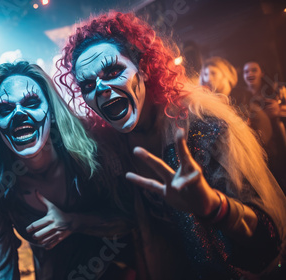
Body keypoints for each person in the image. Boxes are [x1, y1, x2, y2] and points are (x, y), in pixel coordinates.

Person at [58, 11, 286, 279]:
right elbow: (128, 221)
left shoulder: (203, 127)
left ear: (143, 68)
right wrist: (73, 221)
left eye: (113, 71)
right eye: (87, 84)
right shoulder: (115, 143)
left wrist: (213, 206)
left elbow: (270, 241)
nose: (101, 88)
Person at [0, 61, 135, 280]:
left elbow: (130, 219)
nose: (19, 114)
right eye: (5, 109)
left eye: (31, 103)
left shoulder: (89, 152)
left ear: (50, 112)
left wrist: (74, 221)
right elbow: (0, 269)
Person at [242, 61, 286, 190]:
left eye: (254, 70)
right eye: (246, 71)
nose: (249, 73)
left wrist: (279, 110)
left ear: (262, 73)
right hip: (255, 147)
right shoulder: (241, 97)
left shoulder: (275, 92)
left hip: (277, 144)